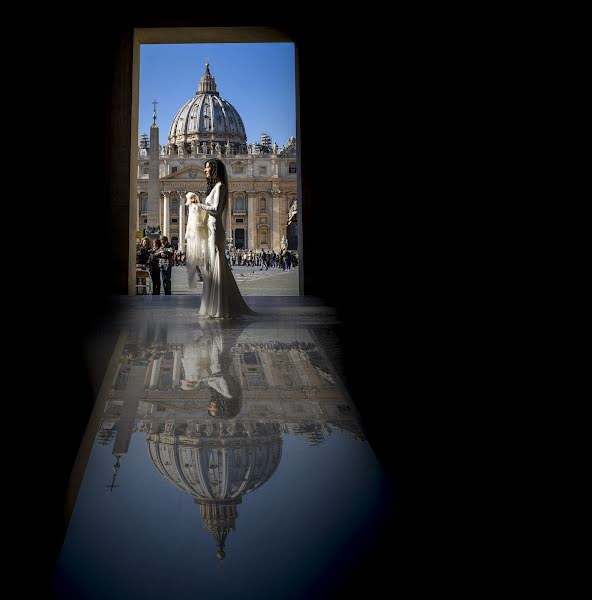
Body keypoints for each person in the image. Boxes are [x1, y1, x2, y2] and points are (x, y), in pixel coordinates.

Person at [186, 159, 255, 318]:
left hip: (216, 230)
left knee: (216, 265)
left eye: (207, 168)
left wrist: (198, 204)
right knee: (211, 267)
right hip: (211, 228)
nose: (204, 171)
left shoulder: (221, 186)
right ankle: (214, 305)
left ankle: (221, 306)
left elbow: (216, 210)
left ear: (215, 169)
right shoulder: (215, 188)